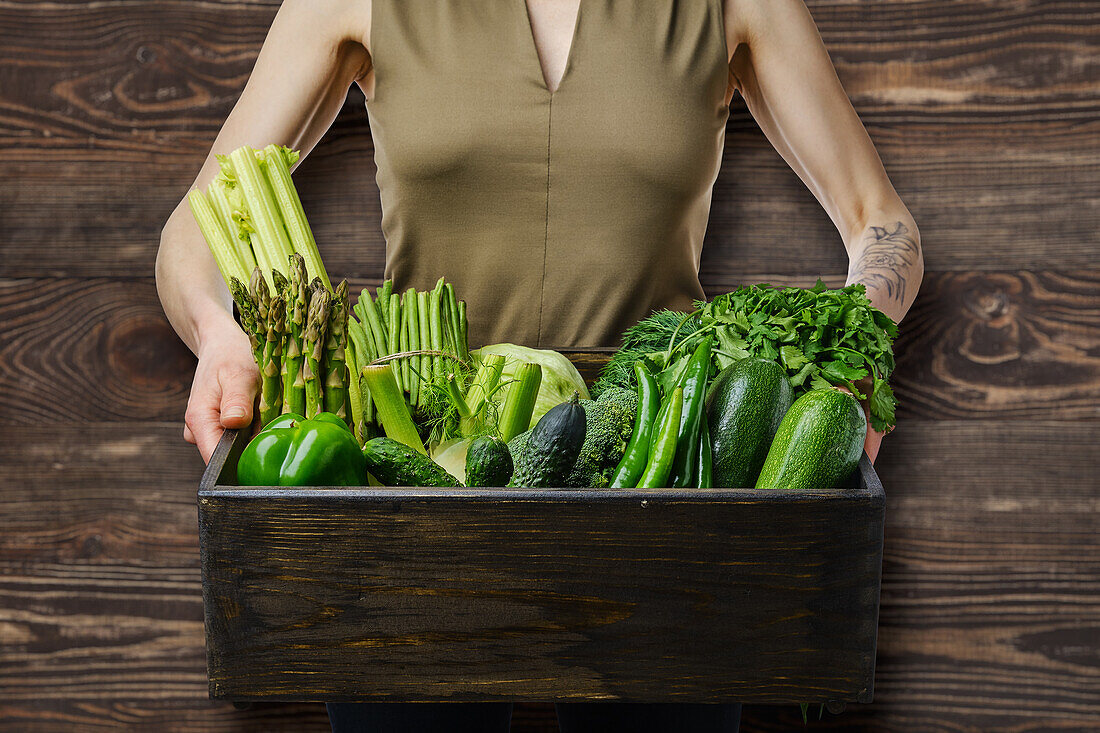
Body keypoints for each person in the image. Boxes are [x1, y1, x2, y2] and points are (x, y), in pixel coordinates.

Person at [157, 1, 923, 730]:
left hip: (660, 480)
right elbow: (193, 233)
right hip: (415, 482)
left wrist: (856, 350)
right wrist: (219, 337)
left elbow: (881, 220)